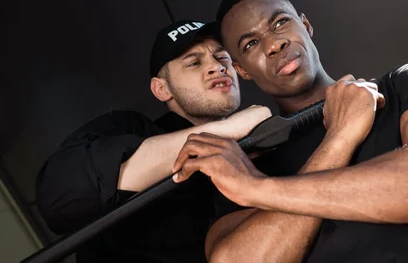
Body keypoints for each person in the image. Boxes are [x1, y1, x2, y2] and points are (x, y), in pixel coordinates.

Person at [173, 0, 408, 263]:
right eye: (250, 44)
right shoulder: (249, 165)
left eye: (280, 22)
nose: (274, 45)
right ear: (242, 70)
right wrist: (338, 139)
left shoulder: (402, 86)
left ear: (306, 25)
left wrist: (258, 190)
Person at [34, 19, 271, 263]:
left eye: (222, 58)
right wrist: (226, 130)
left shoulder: (260, 153)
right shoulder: (130, 129)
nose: (217, 67)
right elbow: (60, 202)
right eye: (194, 62)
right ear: (162, 90)